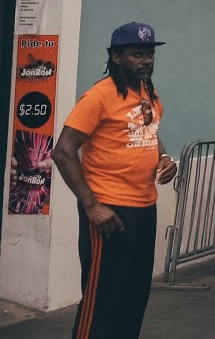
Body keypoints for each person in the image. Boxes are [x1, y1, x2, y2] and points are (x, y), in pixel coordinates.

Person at [52, 22, 177, 339]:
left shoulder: (147, 91)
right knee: (103, 301)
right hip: (109, 210)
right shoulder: (99, 96)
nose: (146, 60)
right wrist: (92, 206)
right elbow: (63, 152)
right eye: (137, 54)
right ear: (116, 57)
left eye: (149, 54)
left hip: (144, 207)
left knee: (134, 295)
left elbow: (148, 132)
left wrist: (164, 158)